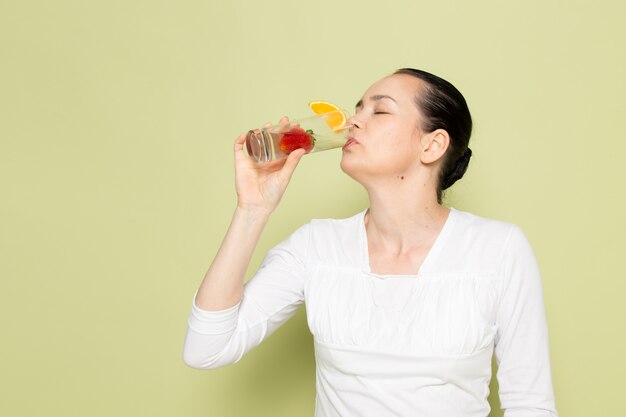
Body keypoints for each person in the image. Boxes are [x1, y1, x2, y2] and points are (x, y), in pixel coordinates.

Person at [183, 68, 558, 417]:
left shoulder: (499, 249)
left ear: (432, 145)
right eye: (358, 107)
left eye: (380, 111)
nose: (353, 121)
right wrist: (253, 208)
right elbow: (206, 348)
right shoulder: (317, 245)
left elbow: (530, 403)